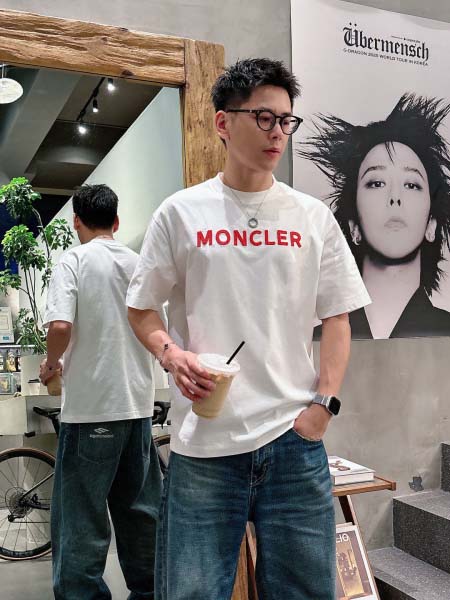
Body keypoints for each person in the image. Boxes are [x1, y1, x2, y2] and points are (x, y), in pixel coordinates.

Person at [127, 58, 370, 600]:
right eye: (263, 117)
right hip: (204, 444)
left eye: (286, 120)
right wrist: (171, 354)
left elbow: (338, 315)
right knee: (190, 593)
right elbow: (141, 308)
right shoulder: (180, 213)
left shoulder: (311, 216)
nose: (277, 132)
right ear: (223, 122)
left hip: (294, 442)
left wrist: (323, 407)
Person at [40, 184, 161, 600]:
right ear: (117, 221)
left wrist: (52, 363)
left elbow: (60, 326)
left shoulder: (73, 261)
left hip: (90, 410)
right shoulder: (138, 263)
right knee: (141, 513)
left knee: (81, 517)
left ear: (76, 221)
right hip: (137, 407)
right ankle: (150, 592)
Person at [299, 93, 450, 339]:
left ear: (431, 224)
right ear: (354, 226)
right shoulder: (317, 339)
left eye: (411, 185)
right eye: (377, 183)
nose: (395, 197)